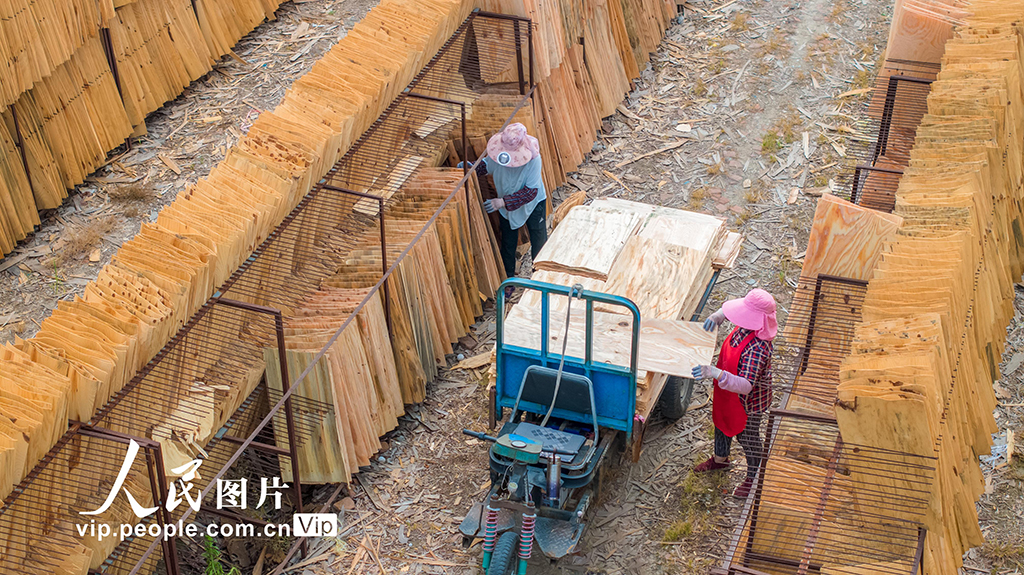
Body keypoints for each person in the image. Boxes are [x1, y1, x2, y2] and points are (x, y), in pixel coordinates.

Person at [690, 288, 777, 499]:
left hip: (748, 403)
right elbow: (730, 311)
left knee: (747, 438)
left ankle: (754, 477)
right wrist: (718, 315)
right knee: (721, 424)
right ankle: (720, 460)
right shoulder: (746, 327)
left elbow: (746, 385)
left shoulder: (758, 347)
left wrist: (715, 372)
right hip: (727, 395)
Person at [465, 123, 547, 289]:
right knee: (508, 244)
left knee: (538, 240)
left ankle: (542, 280)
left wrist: (503, 202)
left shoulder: (533, 159)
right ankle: (508, 282)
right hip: (506, 206)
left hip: (533, 204)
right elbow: (487, 165)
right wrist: (470, 167)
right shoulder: (500, 154)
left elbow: (530, 192)